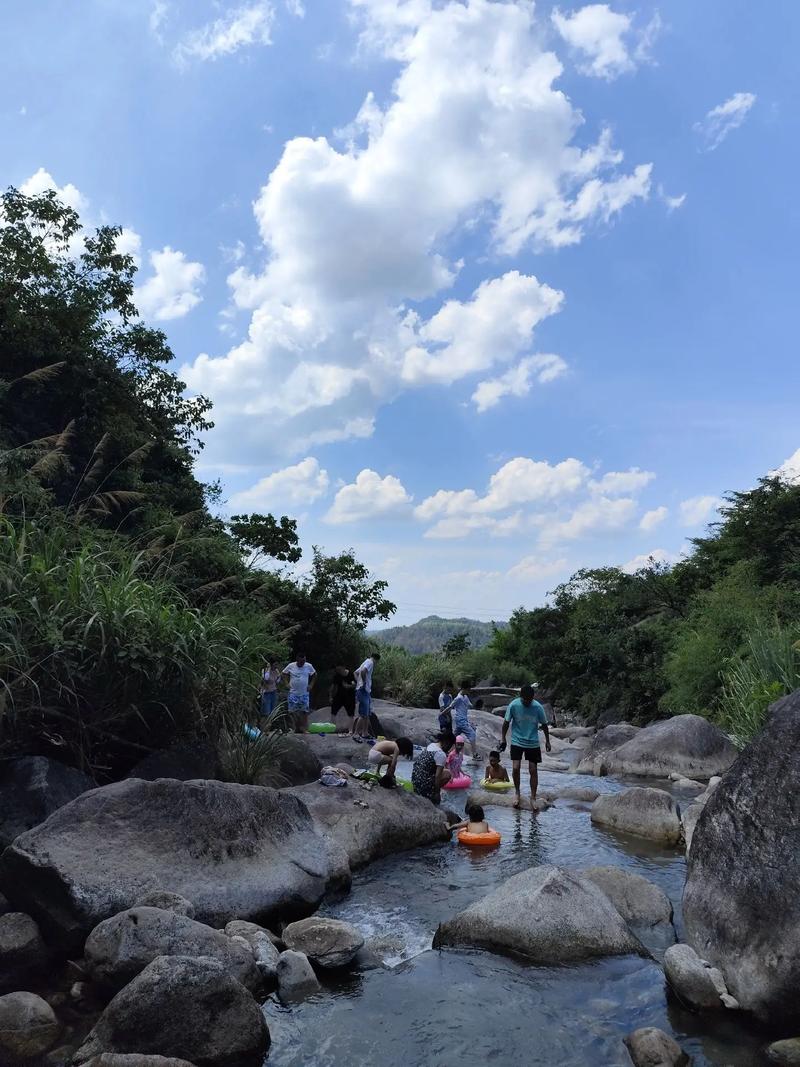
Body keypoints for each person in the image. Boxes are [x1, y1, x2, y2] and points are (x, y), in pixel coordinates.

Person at [499, 683, 551, 808]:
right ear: (520, 696)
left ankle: (533, 797)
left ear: (533, 698)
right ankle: (517, 792)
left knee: (533, 769)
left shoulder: (538, 707)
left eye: (529, 700)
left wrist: (548, 741)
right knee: (516, 767)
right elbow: (506, 722)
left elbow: (544, 725)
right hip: (517, 740)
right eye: (524, 700)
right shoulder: (514, 705)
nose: (527, 702)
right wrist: (503, 739)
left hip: (532, 741)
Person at [411, 731, 454, 803]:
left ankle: (429, 791)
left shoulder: (432, 745)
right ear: (447, 743)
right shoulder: (440, 754)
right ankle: (431, 794)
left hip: (416, 781)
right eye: (450, 746)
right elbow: (438, 776)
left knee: (444, 771)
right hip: (423, 785)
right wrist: (437, 793)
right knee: (448, 774)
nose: (449, 749)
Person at [282, 652, 317, 733]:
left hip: (304, 693)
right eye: (301, 661)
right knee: (292, 712)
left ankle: (304, 728)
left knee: (304, 711)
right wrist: (286, 684)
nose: (303, 663)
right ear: (297, 660)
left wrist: (311, 685)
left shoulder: (308, 666)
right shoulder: (291, 666)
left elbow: (315, 674)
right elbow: (283, 674)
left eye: (304, 661)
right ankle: (295, 728)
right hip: (293, 693)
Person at [353, 651, 380, 739]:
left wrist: (358, 682)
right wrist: (363, 683)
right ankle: (356, 733)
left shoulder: (365, 662)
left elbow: (355, 673)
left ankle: (365, 733)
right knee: (363, 714)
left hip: (365, 691)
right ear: (376, 660)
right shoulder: (370, 662)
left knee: (367, 713)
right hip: (363, 690)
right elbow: (363, 671)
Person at [450, 681, 479, 762]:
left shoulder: (465, 697)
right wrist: (442, 713)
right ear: (464, 689)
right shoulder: (458, 698)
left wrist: (476, 705)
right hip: (461, 720)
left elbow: (469, 705)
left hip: (463, 720)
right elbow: (451, 706)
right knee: (472, 734)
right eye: (468, 689)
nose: (469, 691)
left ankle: (448, 750)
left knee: (454, 736)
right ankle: (475, 754)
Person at [329, 665, 356, 733]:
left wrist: (348, 686)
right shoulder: (337, 676)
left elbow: (355, 684)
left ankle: (350, 730)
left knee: (351, 713)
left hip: (350, 696)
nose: (338, 671)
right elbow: (332, 687)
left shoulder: (351, 674)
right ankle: (333, 728)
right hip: (339, 696)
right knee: (333, 711)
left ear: (344, 667)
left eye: (339, 669)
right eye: (337, 670)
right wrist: (330, 697)